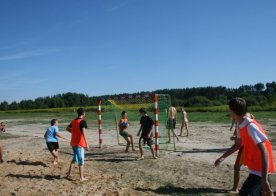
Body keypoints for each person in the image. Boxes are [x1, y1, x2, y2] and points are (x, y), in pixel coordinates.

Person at [215, 97, 274, 195]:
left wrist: (264, 179)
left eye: (229, 110)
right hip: (256, 167)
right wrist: (223, 157)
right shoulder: (240, 125)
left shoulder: (250, 126)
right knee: (266, 193)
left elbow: (265, 152)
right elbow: (238, 144)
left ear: (232, 110)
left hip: (260, 169)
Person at [228, 112, 255, 193]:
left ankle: (235, 189)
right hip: (244, 146)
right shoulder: (240, 119)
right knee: (253, 168)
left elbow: (247, 133)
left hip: (245, 147)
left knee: (238, 167)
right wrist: (236, 137)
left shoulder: (246, 118)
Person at [66, 108, 89, 181]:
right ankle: (81, 178)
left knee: (74, 158)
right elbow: (84, 133)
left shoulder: (73, 121)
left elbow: (67, 128)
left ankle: (69, 174)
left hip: (73, 143)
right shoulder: (82, 121)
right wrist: (87, 144)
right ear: (83, 113)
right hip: (79, 144)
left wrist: (74, 133)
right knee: (81, 160)